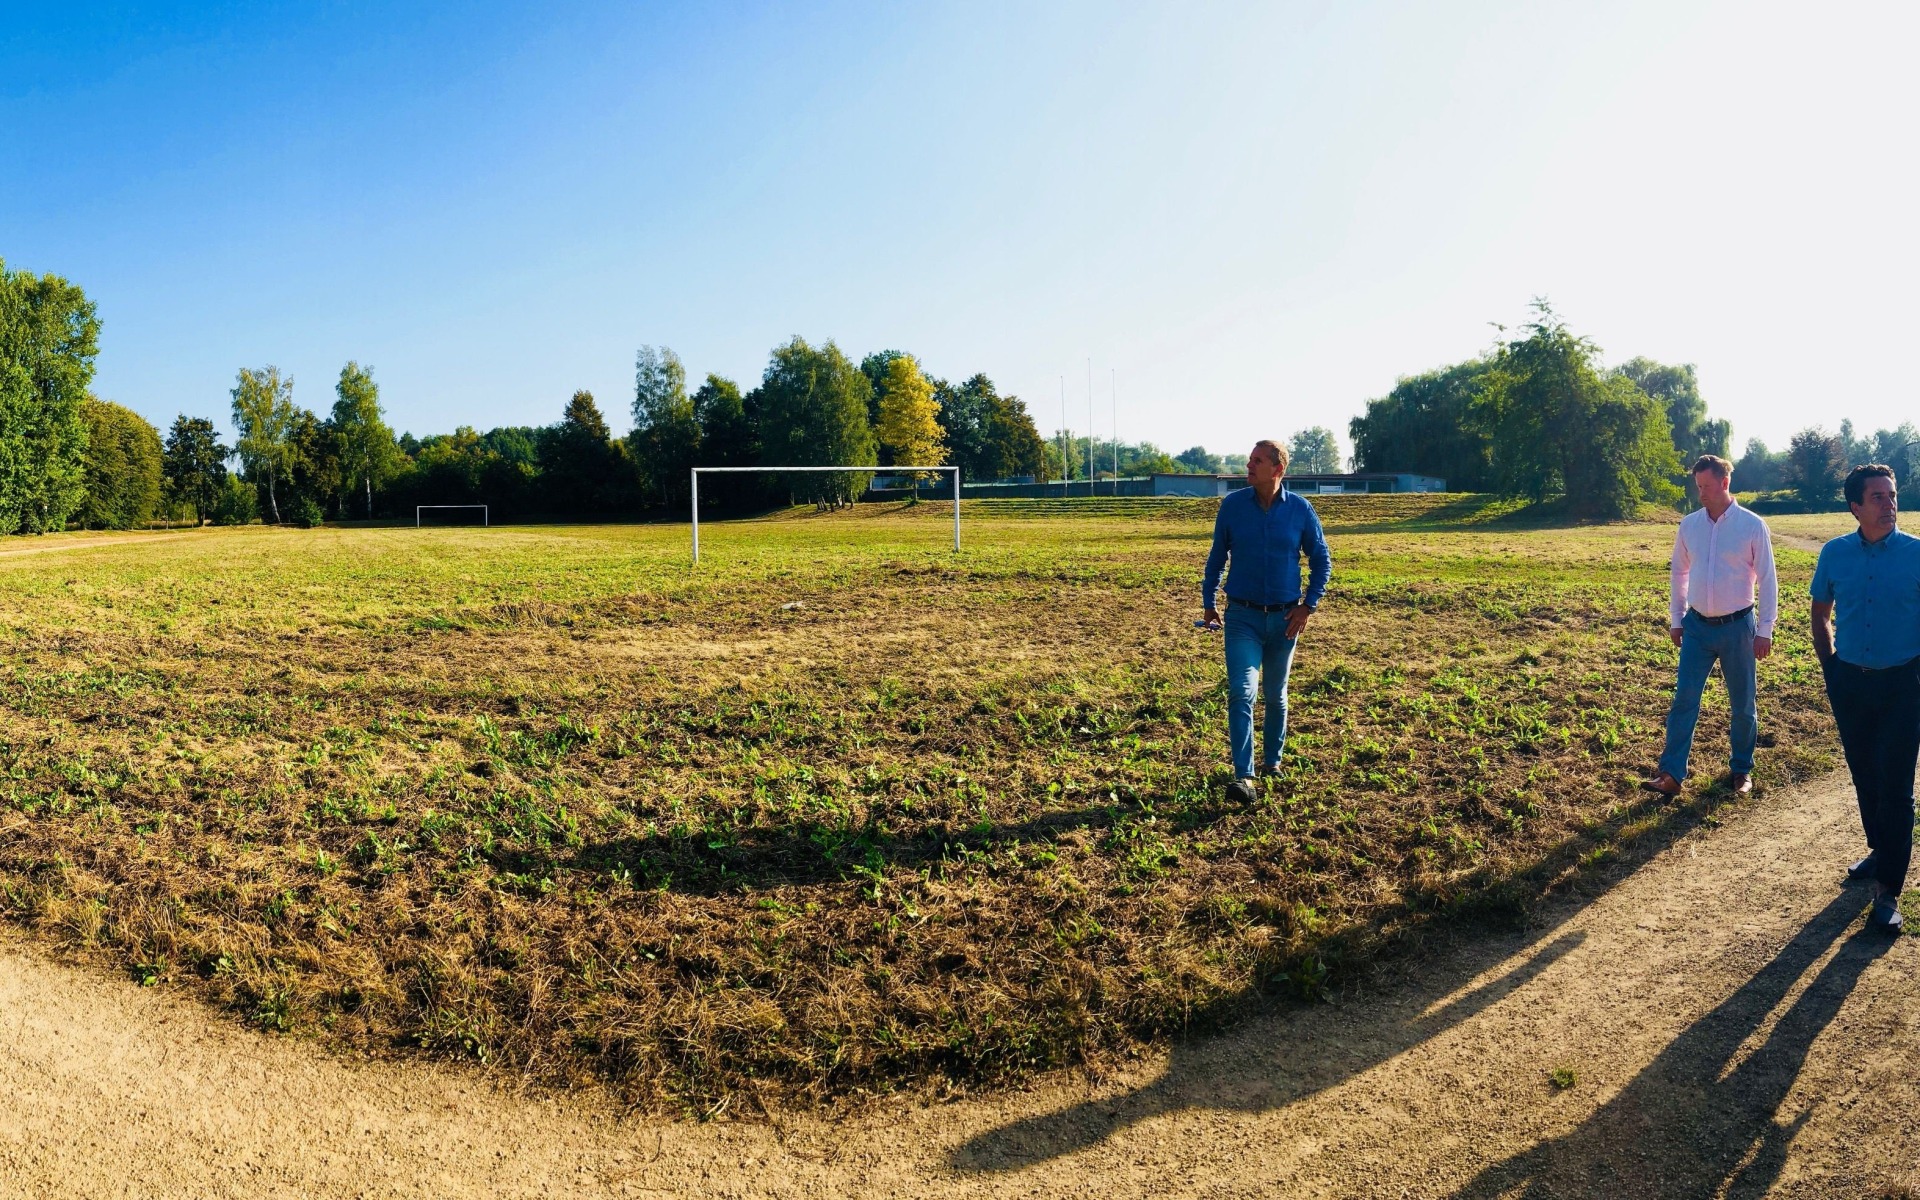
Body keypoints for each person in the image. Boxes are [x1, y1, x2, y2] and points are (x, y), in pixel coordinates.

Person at [1811, 463, 1920, 934]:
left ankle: (1888, 890)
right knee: (1865, 774)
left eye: (1892, 495)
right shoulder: (1834, 553)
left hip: (1904, 685)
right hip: (1850, 683)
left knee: (1896, 787)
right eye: (1878, 497)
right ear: (1855, 506)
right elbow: (1820, 613)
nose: (1889, 504)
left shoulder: (1916, 554)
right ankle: (1880, 850)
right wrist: (1831, 668)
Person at [1201, 440, 1331, 803]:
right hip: (1242, 617)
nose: (1249, 465)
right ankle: (1244, 776)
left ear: (1278, 469)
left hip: (1285, 619)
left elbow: (1322, 559)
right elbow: (1217, 556)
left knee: (1276, 695)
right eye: (1249, 459)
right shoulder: (1232, 506)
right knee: (1242, 691)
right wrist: (1209, 602)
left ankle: (1273, 763)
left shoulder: (1301, 510)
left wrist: (1308, 606)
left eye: (1257, 461)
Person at [1641, 454, 1777, 799]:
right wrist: (1676, 619)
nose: (1700, 493)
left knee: (1742, 704)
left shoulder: (1752, 525)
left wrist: (1765, 629)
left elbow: (1767, 579)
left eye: (1706, 486)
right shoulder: (1689, 525)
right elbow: (1679, 572)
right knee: (1684, 700)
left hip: (1738, 627)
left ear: (1725, 483)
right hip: (1697, 627)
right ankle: (1671, 774)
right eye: (1697, 486)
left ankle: (1741, 770)